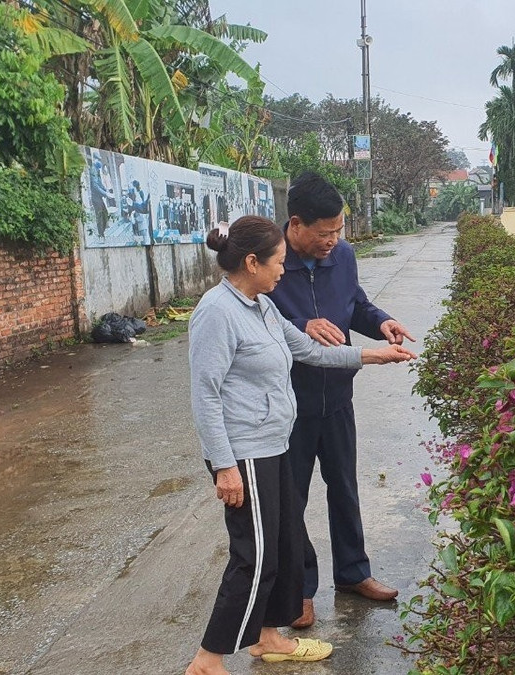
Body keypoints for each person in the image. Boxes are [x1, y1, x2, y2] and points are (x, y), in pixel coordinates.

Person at [185, 215, 415, 675]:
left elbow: (308, 351)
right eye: (278, 264)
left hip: (274, 444)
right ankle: (208, 659)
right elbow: (205, 394)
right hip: (244, 453)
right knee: (253, 556)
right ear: (252, 262)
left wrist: (374, 355)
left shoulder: (261, 306)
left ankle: (269, 636)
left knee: (285, 545)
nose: (282, 272)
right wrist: (224, 466)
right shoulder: (216, 312)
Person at [267, 172, 416, 629]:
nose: (333, 240)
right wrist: (300, 324)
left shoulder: (344, 257)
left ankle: (353, 573)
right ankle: (299, 589)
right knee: (291, 501)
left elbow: (356, 304)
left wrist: (383, 322)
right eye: (324, 233)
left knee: (345, 489)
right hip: (289, 405)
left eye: (338, 231)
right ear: (295, 225)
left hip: (338, 399)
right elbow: (259, 316)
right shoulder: (270, 264)